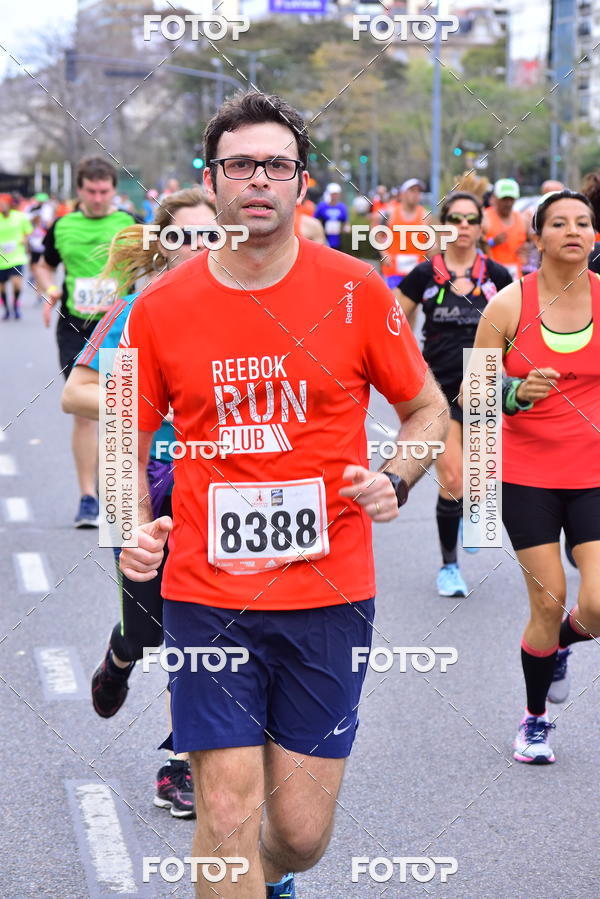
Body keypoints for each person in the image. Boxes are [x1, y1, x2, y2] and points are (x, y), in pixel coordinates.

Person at [119, 91, 447, 899]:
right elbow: (125, 434)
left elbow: (428, 408)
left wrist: (397, 474)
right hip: (206, 592)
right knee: (224, 805)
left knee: (299, 833)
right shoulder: (160, 307)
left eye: (276, 164)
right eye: (240, 164)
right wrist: (131, 527)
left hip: (328, 592)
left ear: (301, 183)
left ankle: (272, 878)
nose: (258, 179)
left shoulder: (356, 290)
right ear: (213, 179)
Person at [62, 187, 218, 818]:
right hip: (145, 476)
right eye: (184, 237)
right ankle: (121, 656)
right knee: (149, 623)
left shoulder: (256, 309)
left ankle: (180, 762)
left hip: (222, 487)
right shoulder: (136, 308)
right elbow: (76, 393)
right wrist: (152, 407)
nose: (199, 249)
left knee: (201, 621)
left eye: (213, 236)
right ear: (163, 243)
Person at [473, 189, 600, 764]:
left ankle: (561, 649)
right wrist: (514, 392)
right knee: (547, 605)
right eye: (560, 223)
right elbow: (472, 395)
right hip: (528, 478)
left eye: (584, 222)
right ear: (538, 236)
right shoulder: (506, 305)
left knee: (596, 607)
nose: (574, 230)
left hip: (593, 472)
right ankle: (535, 720)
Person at [398, 192, 512, 596]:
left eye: (471, 219)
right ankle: (449, 567)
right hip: (437, 389)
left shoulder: (498, 275)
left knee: (474, 482)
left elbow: (515, 333)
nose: (463, 226)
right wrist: (407, 372)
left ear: (481, 227)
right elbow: (391, 326)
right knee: (453, 477)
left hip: (479, 381)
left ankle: (465, 510)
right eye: (455, 219)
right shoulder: (424, 275)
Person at [36, 157, 137, 527]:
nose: (98, 198)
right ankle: (87, 497)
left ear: (114, 190)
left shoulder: (129, 224)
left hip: (121, 326)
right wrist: (49, 290)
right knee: (84, 409)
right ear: (79, 190)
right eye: (91, 191)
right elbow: (44, 262)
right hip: (75, 325)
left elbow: (161, 260)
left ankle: (120, 492)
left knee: (121, 412)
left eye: (105, 191)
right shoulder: (63, 226)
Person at [378, 178, 428, 292]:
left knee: (412, 309)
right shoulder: (390, 213)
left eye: (418, 191)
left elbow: (430, 241)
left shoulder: (425, 215)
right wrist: (384, 254)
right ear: (403, 194)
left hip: (416, 270)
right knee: (394, 307)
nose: (416, 194)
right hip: (394, 271)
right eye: (412, 190)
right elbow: (378, 236)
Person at [482, 178, 527, 279]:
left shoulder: (522, 218)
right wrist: (492, 242)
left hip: (515, 276)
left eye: (511, 199)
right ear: (494, 198)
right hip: (491, 274)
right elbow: (476, 247)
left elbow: (531, 245)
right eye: (504, 199)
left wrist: (525, 249)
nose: (508, 203)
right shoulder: (485, 218)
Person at [0, 195, 33, 320]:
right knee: (2, 288)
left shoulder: (19, 217)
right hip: (1, 259)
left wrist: (23, 240)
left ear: (10, 204)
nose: (2, 206)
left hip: (17, 256)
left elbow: (28, 231)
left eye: (4, 204)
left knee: (16, 284)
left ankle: (15, 305)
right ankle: (7, 310)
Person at [313, 182, 348, 249]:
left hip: (337, 239)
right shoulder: (322, 206)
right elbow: (315, 220)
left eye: (336, 194)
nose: (335, 196)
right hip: (324, 238)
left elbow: (345, 221)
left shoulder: (342, 207)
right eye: (333, 194)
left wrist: (345, 228)